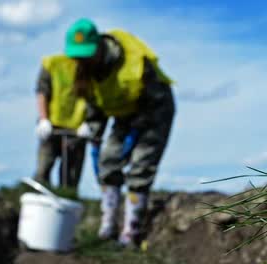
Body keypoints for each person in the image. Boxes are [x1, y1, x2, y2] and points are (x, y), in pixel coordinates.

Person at [61, 18, 175, 247]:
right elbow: (96, 106)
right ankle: (108, 225)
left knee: (140, 166)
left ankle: (130, 232)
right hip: (123, 114)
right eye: (77, 56)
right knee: (108, 162)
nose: (81, 60)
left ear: (99, 47)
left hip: (154, 110)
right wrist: (93, 131)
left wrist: (137, 131)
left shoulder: (134, 64)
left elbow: (153, 98)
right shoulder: (87, 71)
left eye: (86, 55)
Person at [33, 50, 93, 192]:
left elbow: (96, 98)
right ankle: (40, 200)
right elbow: (42, 91)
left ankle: (66, 202)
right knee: (43, 170)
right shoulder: (53, 64)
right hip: (51, 127)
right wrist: (43, 119)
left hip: (78, 130)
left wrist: (89, 122)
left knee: (69, 179)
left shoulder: (93, 68)